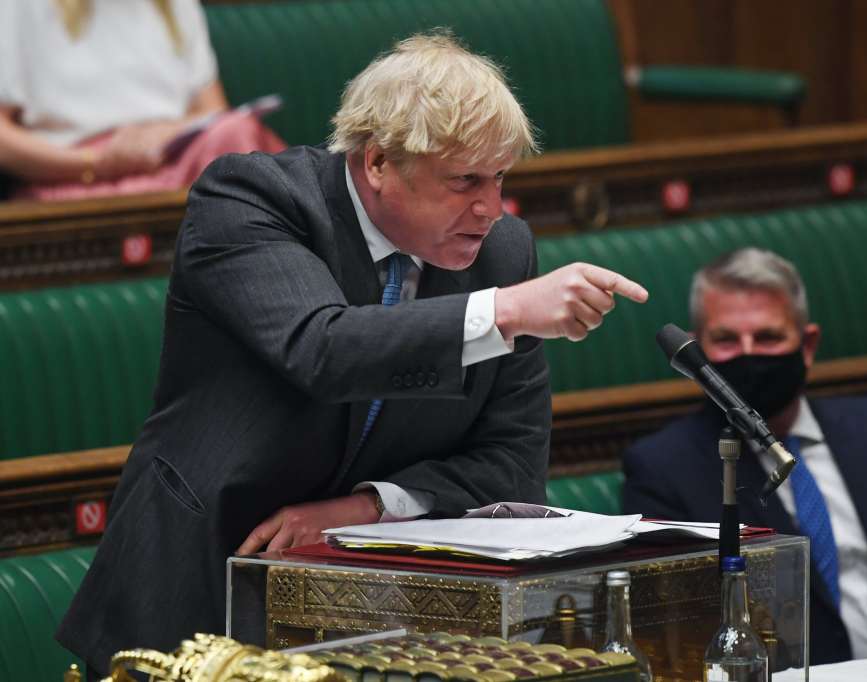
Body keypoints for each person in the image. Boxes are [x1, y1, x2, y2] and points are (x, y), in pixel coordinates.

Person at [57, 32, 648, 675]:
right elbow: (322, 346)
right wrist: (504, 311)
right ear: (376, 163)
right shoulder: (252, 200)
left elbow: (511, 465)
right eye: (463, 181)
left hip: (372, 622)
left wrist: (363, 509)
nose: (491, 208)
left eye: (500, 177)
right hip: (201, 589)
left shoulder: (502, 252)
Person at [622, 247, 867, 664]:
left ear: (807, 345)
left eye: (768, 337)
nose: (748, 353)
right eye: (726, 340)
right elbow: (677, 633)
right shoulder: (664, 470)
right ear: (696, 356)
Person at [0, 0, 284, 201]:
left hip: (177, 160)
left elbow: (213, 110)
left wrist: (165, 133)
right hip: (77, 180)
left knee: (235, 136)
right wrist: (98, 163)